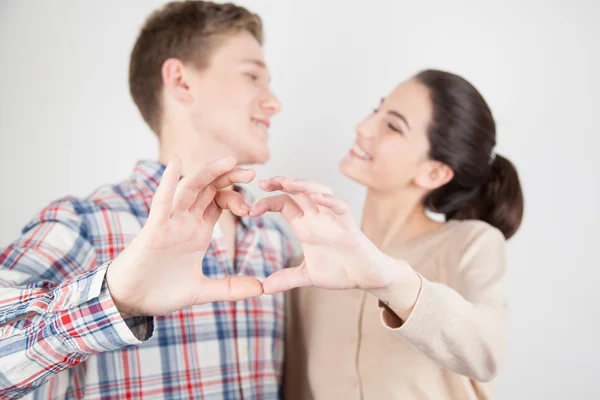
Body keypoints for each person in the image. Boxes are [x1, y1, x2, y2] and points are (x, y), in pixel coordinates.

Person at [0, 2, 293, 399]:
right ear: (181, 81)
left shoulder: (276, 238)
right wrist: (115, 298)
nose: (274, 101)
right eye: (252, 76)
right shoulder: (84, 225)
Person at [252, 69, 524, 399]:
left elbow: (486, 353)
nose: (363, 127)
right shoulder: (311, 265)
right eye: (376, 110)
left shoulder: (471, 244)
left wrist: (389, 281)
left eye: (393, 126)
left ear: (434, 172)